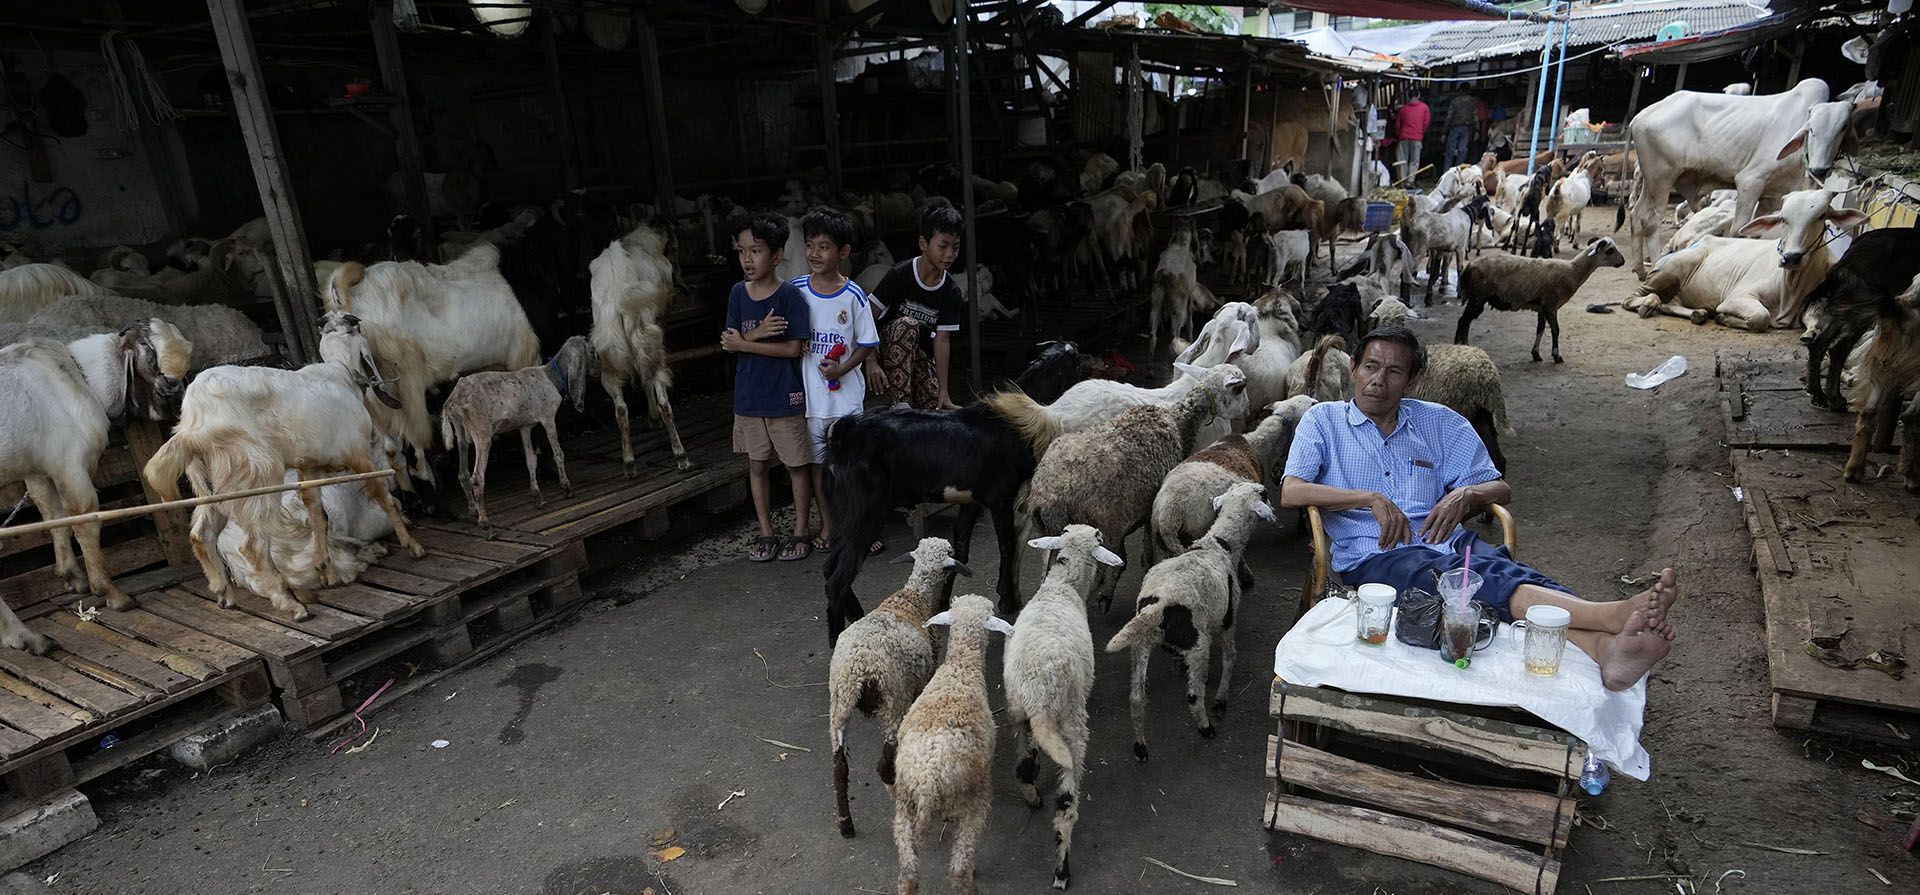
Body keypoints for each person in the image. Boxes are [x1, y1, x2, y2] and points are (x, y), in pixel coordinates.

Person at [1279, 326, 1678, 691]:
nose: (1378, 380)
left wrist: (1465, 494)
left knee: (1506, 571)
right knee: (1475, 583)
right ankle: (1609, 616)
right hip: (1376, 556)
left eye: (1394, 372)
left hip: (1448, 542)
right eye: (1370, 366)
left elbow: (1499, 487)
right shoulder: (1324, 421)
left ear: (1414, 379)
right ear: (1353, 368)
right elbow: (1291, 491)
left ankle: (1604, 649)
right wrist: (1369, 498)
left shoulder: (1439, 423)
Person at [720, 213, 814, 563]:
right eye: (742, 251)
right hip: (749, 396)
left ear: (776, 256)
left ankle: (801, 530)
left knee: (795, 466)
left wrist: (745, 343)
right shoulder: (736, 294)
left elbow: (792, 348)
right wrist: (756, 334)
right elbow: (729, 341)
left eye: (755, 251)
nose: (747, 259)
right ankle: (766, 532)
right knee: (756, 466)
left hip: (783, 394)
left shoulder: (789, 297)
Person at [793, 206, 880, 555]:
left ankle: (859, 526)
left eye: (824, 246)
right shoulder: (796, 290)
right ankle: (829, 525)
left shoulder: (853, 295)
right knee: (820, 466)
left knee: (852, 465)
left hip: (846, 398)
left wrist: (843, 370)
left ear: (843, 252)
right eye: (810, 245)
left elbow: (867, 344)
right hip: (814, 400)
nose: (814, 253)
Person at [869, 205, 965, 410]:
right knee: (907, 325)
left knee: (935, 408)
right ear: (923, 243)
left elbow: (942, 340)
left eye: (955, 247)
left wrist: (943, 391)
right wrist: (870, 360)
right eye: (943, 246)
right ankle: (900, 404)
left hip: (919, 358)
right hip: (886, 350)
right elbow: (866, 316)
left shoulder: (951, 291)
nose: (949, 254)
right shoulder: (900, 274)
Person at [1393, 90, 1431, 182]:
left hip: (1403, 137)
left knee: (1402, 160)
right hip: (1417, 137)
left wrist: (1399, 134)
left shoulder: (1403, 109)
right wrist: (1420, 133)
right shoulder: (1424, 107)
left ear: (1408, 96)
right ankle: (1410, 181)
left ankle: (1402, 181)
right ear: (1418, 96)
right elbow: (1426, 123)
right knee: (1414, 161)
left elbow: (1398, 125)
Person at [1444, 90, 1480, 169]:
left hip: (1455, 127)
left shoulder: (1455, 101)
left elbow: (1449, 117)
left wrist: (1444, 131)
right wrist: (1477, 130)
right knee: (1462, 150)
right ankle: (1459, 169)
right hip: (1466, 128)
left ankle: (1446, 171)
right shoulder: (1472, 102)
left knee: (1450, 150)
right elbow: (1475, 116)